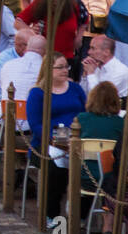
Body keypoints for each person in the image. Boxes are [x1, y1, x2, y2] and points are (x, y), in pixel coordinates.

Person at [26, 52, 87, 221]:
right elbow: (35, 124)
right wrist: (57, 139)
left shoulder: (76, 89)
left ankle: (80, 216)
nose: (65, 70)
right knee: (55, 169)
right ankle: (52, 215)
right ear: (48, 69)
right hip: (46, 143)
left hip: (76, 140)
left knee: (92, 169)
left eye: (66, 66)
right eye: (60, 67)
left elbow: (85, 113)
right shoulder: (37, 93)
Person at [77, 81, 126, 234]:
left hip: (84, 177)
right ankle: (108, 228)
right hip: (109, 179)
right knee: (112, 176)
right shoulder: (121, 123)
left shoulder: (81, 119)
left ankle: (79, 221)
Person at [15, 0, 79, 61]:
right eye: (54, 5)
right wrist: (30, 31)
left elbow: (84, 20)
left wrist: (79, 36)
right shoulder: (40, 5)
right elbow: (18, 22)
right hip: (44, 58)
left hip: (67, 58)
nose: (56, 8)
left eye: (59, 5)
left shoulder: (74, 6)